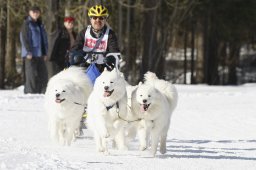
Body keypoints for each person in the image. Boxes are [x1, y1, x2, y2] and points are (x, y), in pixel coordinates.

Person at [69, 4, 120, 74]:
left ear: (105, 20)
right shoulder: (84, 33)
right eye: (95, 17)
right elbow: (75, 49)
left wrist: (110, 58)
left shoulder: (110, 34)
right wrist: (78, 57)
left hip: (104, 69)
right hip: (85, 67)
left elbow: (114, 52)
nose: (98, 20)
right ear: (90, 19)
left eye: (101, 18)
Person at [20, 6, 48, 94]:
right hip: (30, 54)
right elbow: (24, 38)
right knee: (31, 75)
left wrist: (45, 52)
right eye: (33, 12)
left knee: (43, 74)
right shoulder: (27, 24)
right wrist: (28, 51)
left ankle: (42, 92)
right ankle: (30, 93)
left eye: (37, 12)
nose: (35, 13)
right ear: (29, 13)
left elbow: (44, 40)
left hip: (40, 54)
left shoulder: (40, 24)